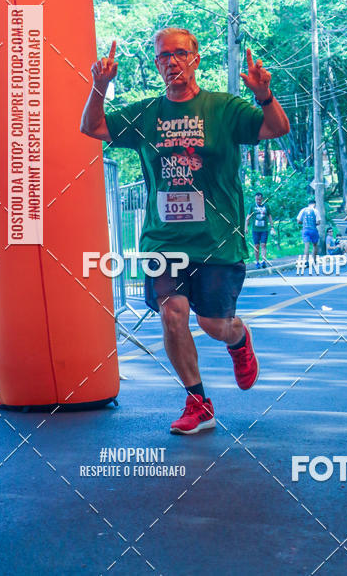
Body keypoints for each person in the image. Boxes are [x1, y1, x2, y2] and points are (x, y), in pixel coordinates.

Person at [80, 28, 290, 435]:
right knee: (172, 314)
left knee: (213, 324)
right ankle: (198, 403)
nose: (171, 61)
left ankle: (238, 338)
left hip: (217, 238)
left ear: (196, 58)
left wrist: (264, 95)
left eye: (179, 54)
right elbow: (93, 127)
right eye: (163, 56)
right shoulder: (146, 114)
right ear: (156, 64)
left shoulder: (223, 108)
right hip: (164, 239)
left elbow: (275, 128)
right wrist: (99, 87)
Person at [245, 192, 274, 268]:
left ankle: (264, 261)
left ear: (262, 199)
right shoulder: (252, 206)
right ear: (255, 199)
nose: (258, 201)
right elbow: (248, 217)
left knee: (263, 245)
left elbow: (269, 216)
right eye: (257, 199)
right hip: (255, 230)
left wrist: (272, 226)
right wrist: (246, 227)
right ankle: (257, 262)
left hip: (264, 229)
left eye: (259, 199)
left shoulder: (266, 206)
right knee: (256, 246)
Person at [296, 198, 321, 264]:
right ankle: (314, 260)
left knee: (306, 246)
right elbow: (318, 222)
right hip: (313, 230)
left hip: (305, 230)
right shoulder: (315, 211)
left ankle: (306, 261)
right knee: (315, 245)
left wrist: (304, 223)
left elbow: (298, 221)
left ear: (308, 204)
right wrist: (313, 223)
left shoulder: (303, 210)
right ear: (314, 204)